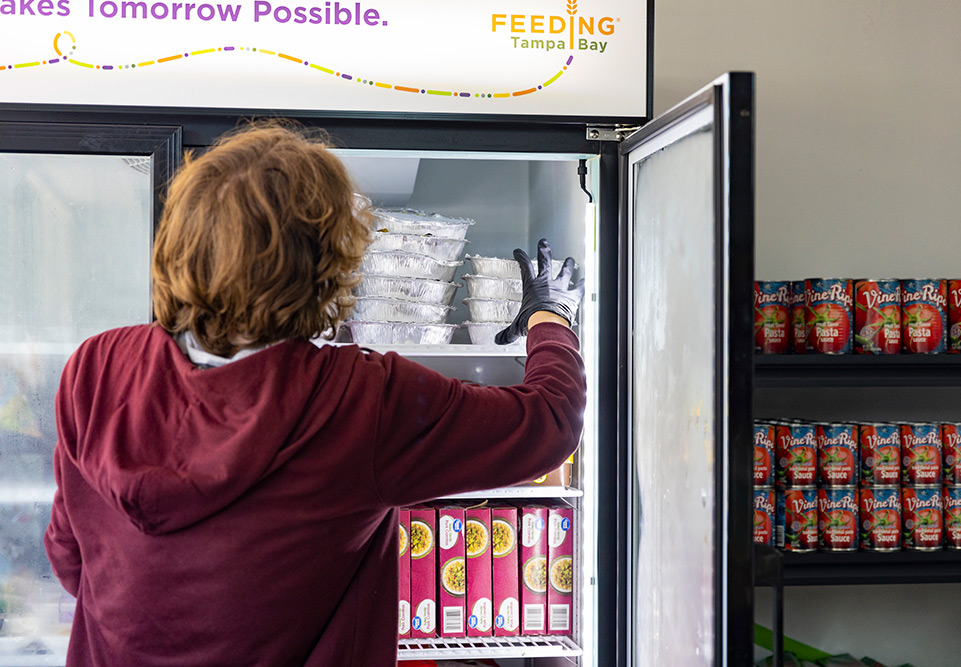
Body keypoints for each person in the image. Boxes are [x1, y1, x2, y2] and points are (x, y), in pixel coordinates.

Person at [43, 121, 586, 666]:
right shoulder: (360, 398)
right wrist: (549, 315)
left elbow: (69, 558)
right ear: (330, 265)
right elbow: (549, 423)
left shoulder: (95, 366)